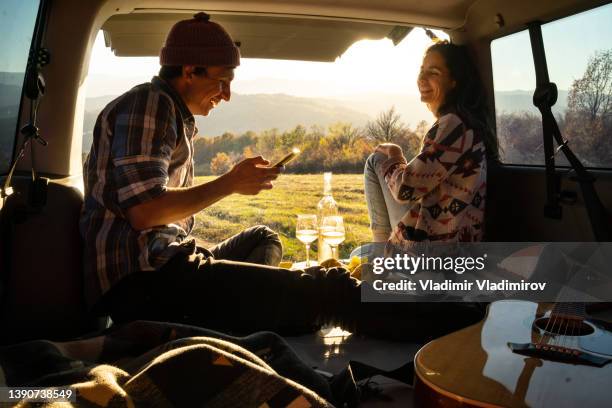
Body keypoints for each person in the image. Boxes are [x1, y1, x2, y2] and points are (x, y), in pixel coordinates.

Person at [81, 13, 482, 342]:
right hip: (148, 284)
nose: (226, 95)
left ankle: (258, 312)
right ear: (189, 70)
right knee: (329, 290)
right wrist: (229, 183)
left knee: (265, 240)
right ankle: (456, 329)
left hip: (170, 265)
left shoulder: (173, 114)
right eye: (222, 80)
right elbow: (144, 212)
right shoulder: (150, 105)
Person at [355, 41, 498, 259]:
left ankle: (380, 261)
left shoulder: (453, 125)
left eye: (434, 72)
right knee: (358, 252)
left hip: (434, 246)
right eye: (422, 71)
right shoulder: (465, 124)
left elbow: (406, 189)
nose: (422, 79)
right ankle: (379, 256)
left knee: (376, 159)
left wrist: (395, 156)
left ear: (454, 81)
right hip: (452, 239)